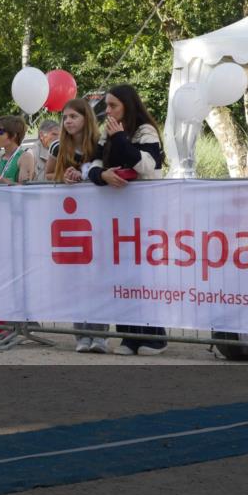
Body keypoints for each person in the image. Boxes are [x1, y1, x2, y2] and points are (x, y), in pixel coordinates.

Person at [87, 84, 167, 355]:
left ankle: (153, 336)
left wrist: (121, 138)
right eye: (106, 106)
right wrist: (102, 176)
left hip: (143, 214)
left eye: (113, 106)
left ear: (128, 107)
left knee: (143, 275)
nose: (108, 111)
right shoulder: (105, 134)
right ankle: (128, 336)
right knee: (120, 274)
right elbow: (93, 164)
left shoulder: (145, 131)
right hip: (115, 215)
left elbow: (146, 165)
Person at [51, 99, 107, 352]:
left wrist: (84, 176)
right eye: (65, 117)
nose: (68, 121)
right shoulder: (58, 146)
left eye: (73, 116)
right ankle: (81, 334)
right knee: (77, 278)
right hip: (70, 219)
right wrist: (63, 176)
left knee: (97, 277)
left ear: (86, 118)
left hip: (97, 217)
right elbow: (49, 175)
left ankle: (100, 335)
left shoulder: (99, 145)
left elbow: (105, 171)